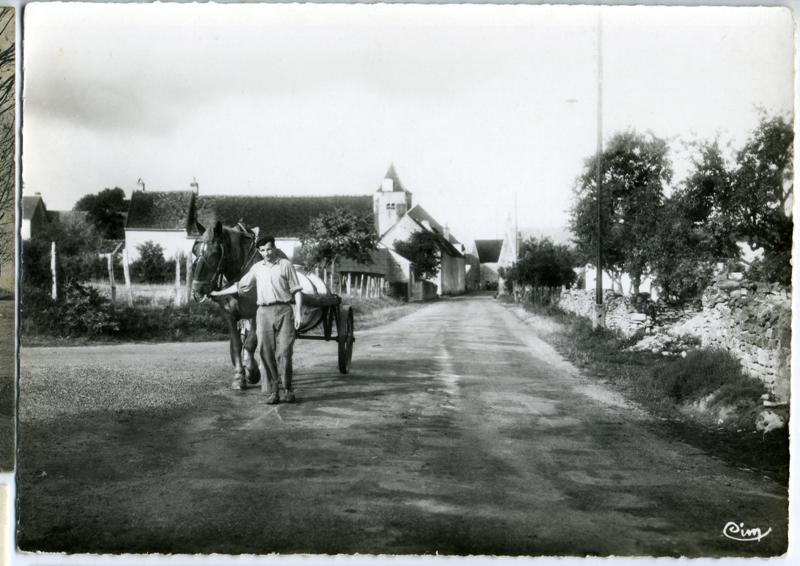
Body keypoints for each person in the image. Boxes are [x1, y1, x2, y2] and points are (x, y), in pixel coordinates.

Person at [211, 235, 303, 404]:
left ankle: (288, 389)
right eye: (262, 250)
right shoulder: (257, 268)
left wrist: (298, 313)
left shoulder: (285, 265)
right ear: (259, 252)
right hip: (263, 312)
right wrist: (218, 293)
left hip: (284, 310)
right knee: (266, 352)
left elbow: (296, 290)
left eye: (269, 249)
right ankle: (274, 391)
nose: (266, 253)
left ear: (274, 248)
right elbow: (240, 286)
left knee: (285, 352)